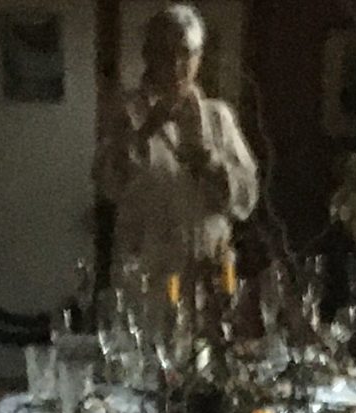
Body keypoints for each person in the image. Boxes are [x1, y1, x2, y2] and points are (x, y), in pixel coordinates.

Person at [94, 5, 258, 282]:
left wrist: (208, 160)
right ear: (147, 55)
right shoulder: (124, 112)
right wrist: (145, 132)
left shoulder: (219, 118)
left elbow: (247, 199)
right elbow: (106, 185)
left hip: (209, 273)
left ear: (199, 57)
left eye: (185, 53)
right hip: (147, 275)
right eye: (164, 52)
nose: (175, 64)